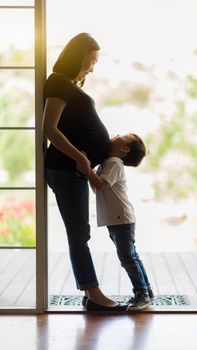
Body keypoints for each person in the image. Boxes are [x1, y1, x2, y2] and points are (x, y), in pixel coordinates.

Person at [42, 32, 127, 312]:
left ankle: (91, 293)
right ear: (77, 56)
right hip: (67, 169)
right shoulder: (58, 83)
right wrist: (80, 157)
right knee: (78, 233)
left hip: (75, 170)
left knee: (81, 231)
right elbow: (49, 128)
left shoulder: (68, 85)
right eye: (90, 61)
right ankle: (93, 294)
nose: (91, 68)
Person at [87, 133, 155, 310]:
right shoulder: (110, 162)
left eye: (123, 136)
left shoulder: (115, 162)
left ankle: (142, 294)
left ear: (124, 149)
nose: (116, 135)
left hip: (120, 218)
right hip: (118, 218)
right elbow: (98, 188)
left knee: (127, 257)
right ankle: (146, 290)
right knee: (131, 255)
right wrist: (91, 173)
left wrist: (86, 169)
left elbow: (101, 185)